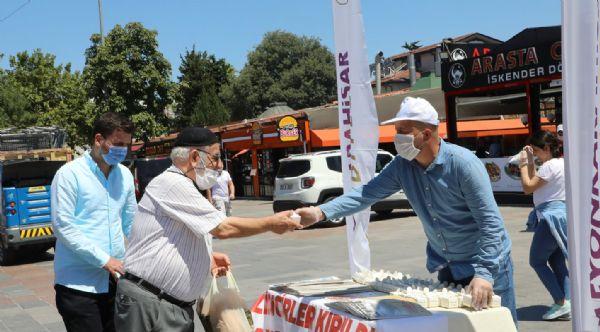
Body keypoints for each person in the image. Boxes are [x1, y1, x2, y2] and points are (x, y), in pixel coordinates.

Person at [296, 97, 517, 324]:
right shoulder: (402, 165)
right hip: (448, 267)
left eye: (403, 131)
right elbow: (366, 193)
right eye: (396, 130)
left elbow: (491, 223)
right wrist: (320, 212)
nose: (396, 137)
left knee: (496, 326)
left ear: (427, 134)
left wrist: (484, 274)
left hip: (486, 267)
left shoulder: (463, 164)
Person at [114, 127, 301, 332]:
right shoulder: (172, 183)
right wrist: (271, 224)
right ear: (195, 157)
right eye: (215, 157)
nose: (219, 165)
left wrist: (206, 257)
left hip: (170, 306)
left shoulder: (184, 185)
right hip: (150, 303)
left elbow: (175, 235)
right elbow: (223, 228)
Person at [51, 112, 137, 332]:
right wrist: (104, 259)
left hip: (116, 281)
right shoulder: (70, 175)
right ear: (98, 139)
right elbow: (63, 227)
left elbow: (132, 223)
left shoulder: (125, 176)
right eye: (118, 144)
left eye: (127, 145)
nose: (123, 151)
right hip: (78, 285)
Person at [519, 130, 570, 321]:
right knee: (556, 261)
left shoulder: (550, 166)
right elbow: (535, 181)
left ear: (547, 148)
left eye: (536, 151)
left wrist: (524, 163)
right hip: (561, 216)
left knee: (537, 261)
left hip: (550, 217)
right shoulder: (562, 163)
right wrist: (531, 161)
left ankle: (561, 302)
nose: (535, 154)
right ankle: (567, 302)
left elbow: (527, 187)